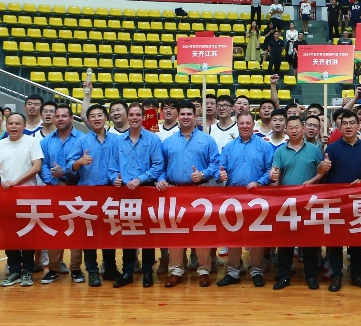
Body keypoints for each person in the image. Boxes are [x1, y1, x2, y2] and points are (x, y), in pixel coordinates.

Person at [159, 101, 222, 288]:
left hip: (200, 192)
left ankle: (203, 270)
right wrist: (161, 179)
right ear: (177, 116)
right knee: (176, 233)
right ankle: (176, 270)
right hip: (175, 192)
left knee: (201, 233)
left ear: (195, 116)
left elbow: (215, 165)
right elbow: (161, 167)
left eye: (189, 114)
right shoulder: (168, 142)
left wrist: (203, 174)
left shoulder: (207, 140)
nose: (186, 117)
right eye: (183, 114)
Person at [216, 111, 275, 288]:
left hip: (257, 198)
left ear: (253, 124)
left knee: (256, 237)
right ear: (237, 125)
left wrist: (260, 182)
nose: (245, 126)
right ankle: (233, 271)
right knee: (233, 236)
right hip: (233, 198)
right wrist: (220, 175)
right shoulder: (229, 147)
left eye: (248, 123)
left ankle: (257, 271)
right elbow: (220, 169)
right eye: (241, 123)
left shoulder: (264, 146)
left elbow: (271, 170)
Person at [111, 103, 165, 288]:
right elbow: (112, 167)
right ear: (127, 117)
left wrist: (139, 180)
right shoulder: (118, 141)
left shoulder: (153, 139)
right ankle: (127, 272)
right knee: (128, 234)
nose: (134, 117)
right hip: (125, 192)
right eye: (131, 114)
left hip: (146, 190)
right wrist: (114, 178)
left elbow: (158, 166)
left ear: (143, 117)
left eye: (137, 115)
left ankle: (148, 272)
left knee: (148, 234)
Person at [270, 114, 325, 290]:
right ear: (286, 130)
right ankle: (284, 276)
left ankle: (311, 276)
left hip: (308, 203)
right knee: (285, 243)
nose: (294, 131)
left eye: (297, 127)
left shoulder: (314, 149)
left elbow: (322, 171)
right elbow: (276, 175)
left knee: (309, 242)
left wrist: (313, 180)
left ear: (303, 128)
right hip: (286, 203)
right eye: (290, 128)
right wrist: (273, 180)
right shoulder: (280, 151)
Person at [0, 113, 45, 287]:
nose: (14, 126)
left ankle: (27, 270)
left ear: (24, 126)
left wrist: (16, 182)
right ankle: (14, 270)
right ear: (6, 126)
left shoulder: (32, 142)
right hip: (6, 196)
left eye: (17, 123)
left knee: (27, 234)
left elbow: (37, 166)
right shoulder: (0, 144)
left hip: (28, 195)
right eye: (10, 123)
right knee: (9, 235)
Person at [72, 105, 122, 287]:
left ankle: (110, 268)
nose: (96, 118)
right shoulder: (82, 141)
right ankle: (92, 271)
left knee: (109, 233)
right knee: (90, 234)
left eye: (100, 115)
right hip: (89, 194)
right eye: (92, 116)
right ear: (88, 120)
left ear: (106, 118)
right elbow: (70, 165)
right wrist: (80, 161)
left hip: (111, 193)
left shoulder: (117, 140)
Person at [323, 111, 361, 291]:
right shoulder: (332, 149)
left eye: (352, 123)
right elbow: (322, 172)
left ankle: (356, 275)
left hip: (359, 200)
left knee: (357, 239)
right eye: (345, 123)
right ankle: (336, 275)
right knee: (335, 241)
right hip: (336, 201)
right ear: (340, 126)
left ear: (358, 126)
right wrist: (322, 167)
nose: (349, 126)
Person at [39, 104, 86, 284]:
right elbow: (43, 165)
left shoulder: (82, 139)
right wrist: (53, 181)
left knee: (76, 231)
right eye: (57, 116)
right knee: (54, 230)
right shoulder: (46, 141)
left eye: (64, 116)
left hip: (76, 189)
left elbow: (83, 165)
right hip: (54, 190)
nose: (60, 119)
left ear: (72, 118)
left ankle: (76, 268)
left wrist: (65, 173)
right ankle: (53, 268)